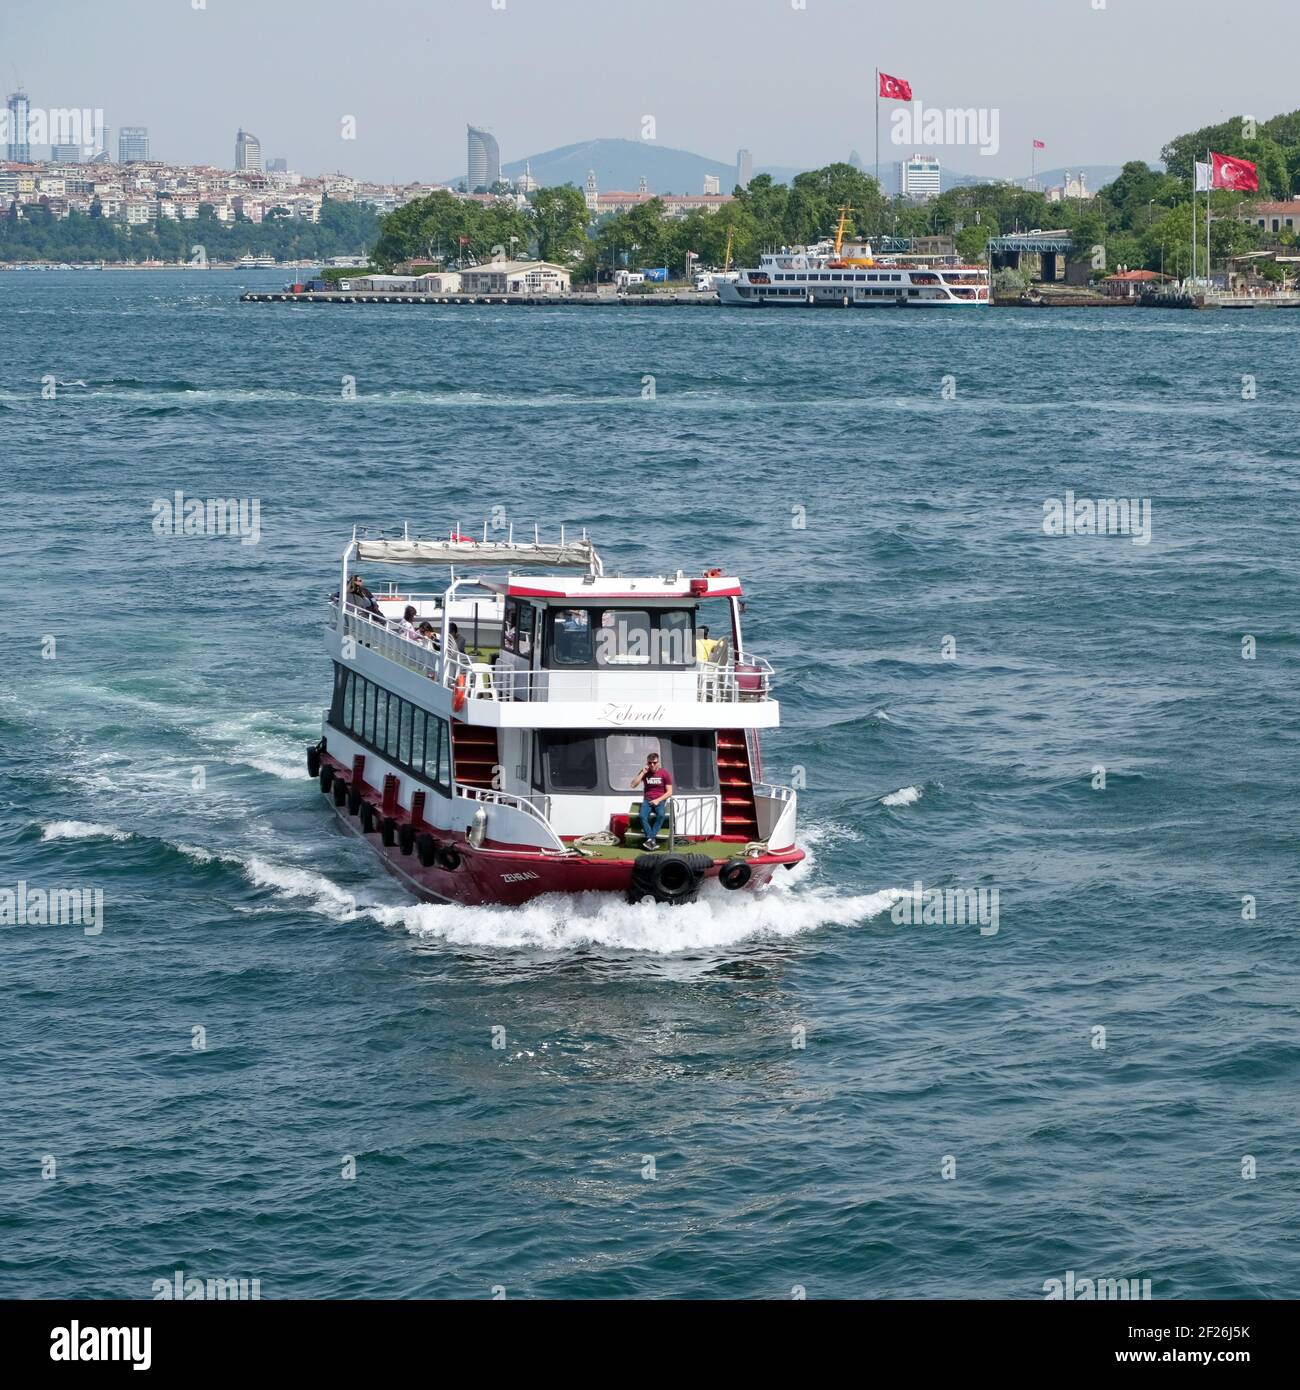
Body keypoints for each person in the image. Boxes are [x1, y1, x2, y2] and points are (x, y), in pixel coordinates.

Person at [631, 752, 673, 851]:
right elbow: (633, 785)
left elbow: (670, 792)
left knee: (661, 815)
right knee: (642, 816)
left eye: (654, 763)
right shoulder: (645, 772)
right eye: (650, 763)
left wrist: (658, 800)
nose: (652, 765)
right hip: (647, 800)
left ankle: (650, 839)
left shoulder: (664, 773)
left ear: (658, 762)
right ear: (647, 762)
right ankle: (651, 839)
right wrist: (642, 773)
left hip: (660, 800)